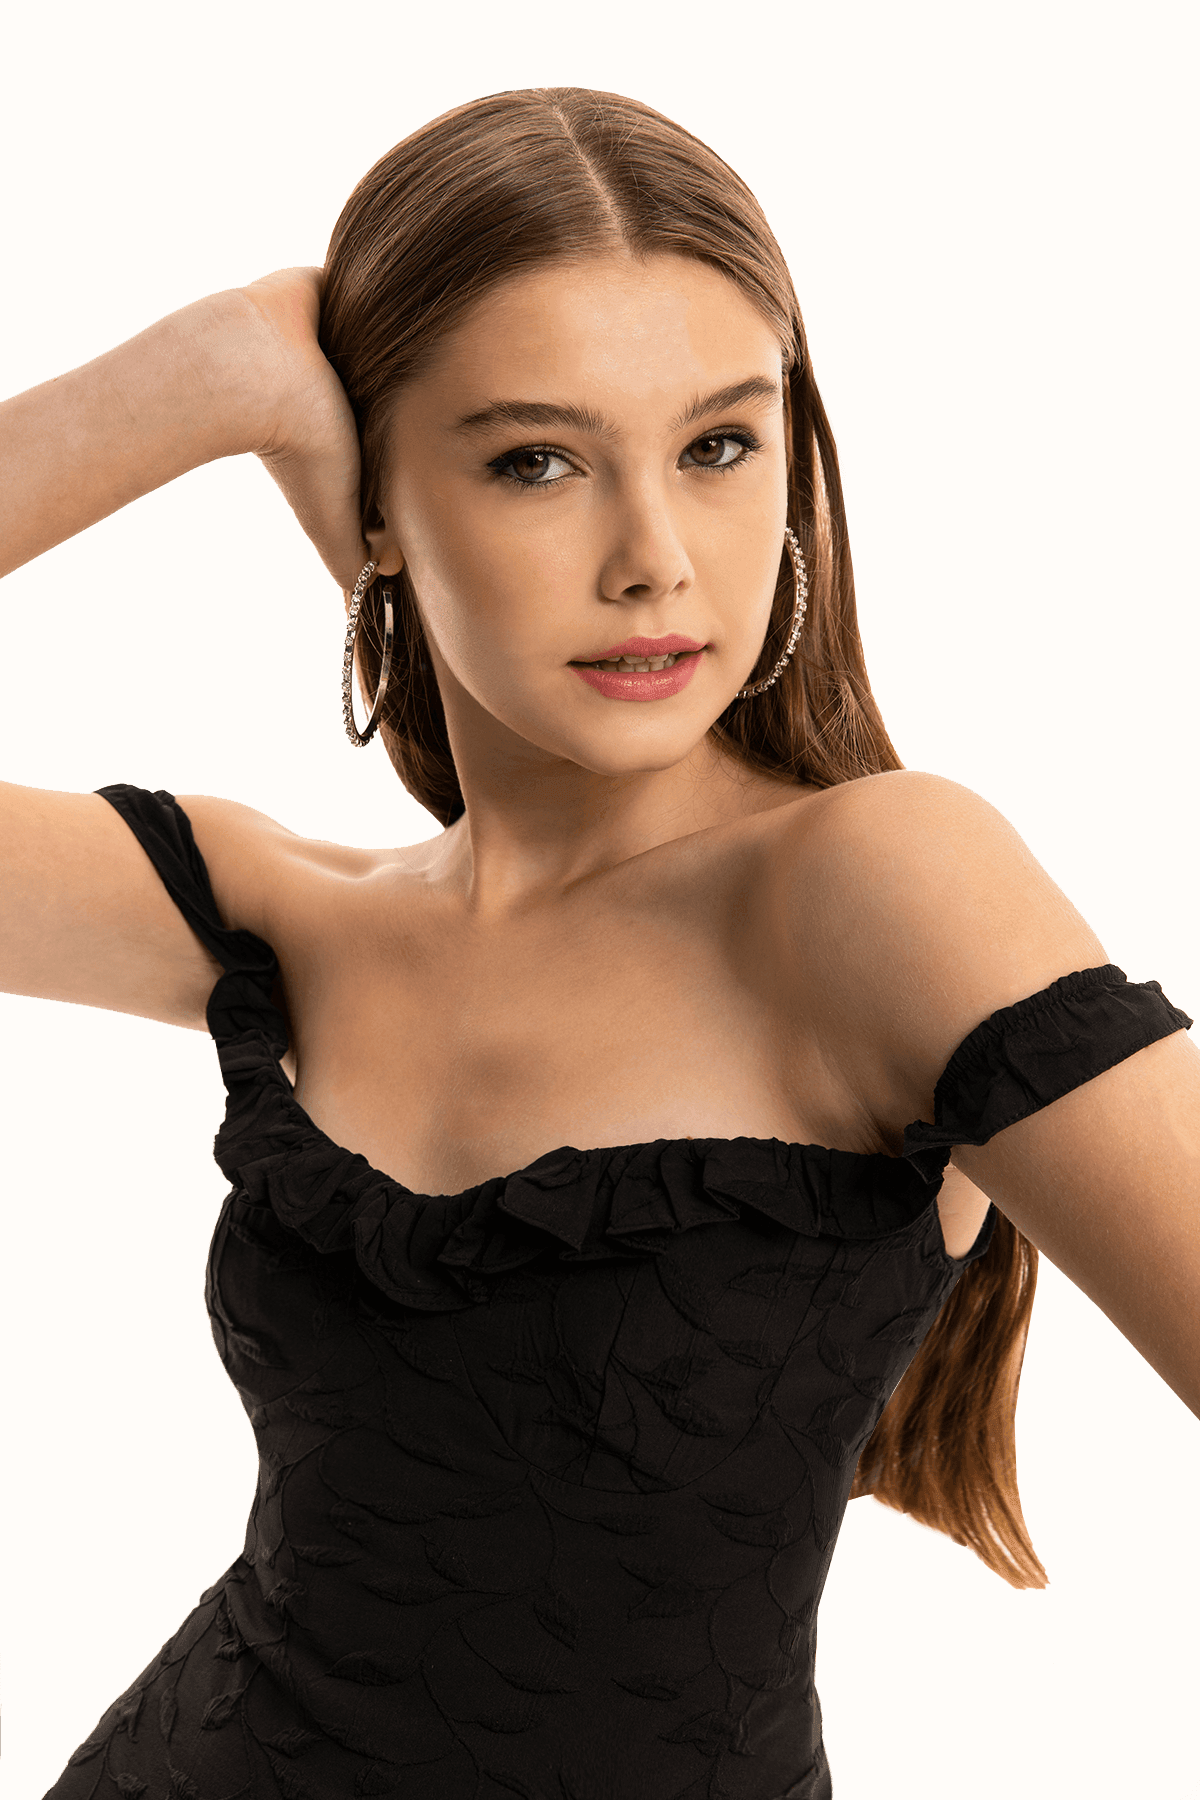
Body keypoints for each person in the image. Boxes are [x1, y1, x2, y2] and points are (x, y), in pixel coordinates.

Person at [5, 86, 1197, 1800]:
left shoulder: (879, 885)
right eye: (537, 461)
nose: (653, 561)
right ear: (377, 507)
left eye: (718, 447)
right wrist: (207, 378)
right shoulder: (280, 914)